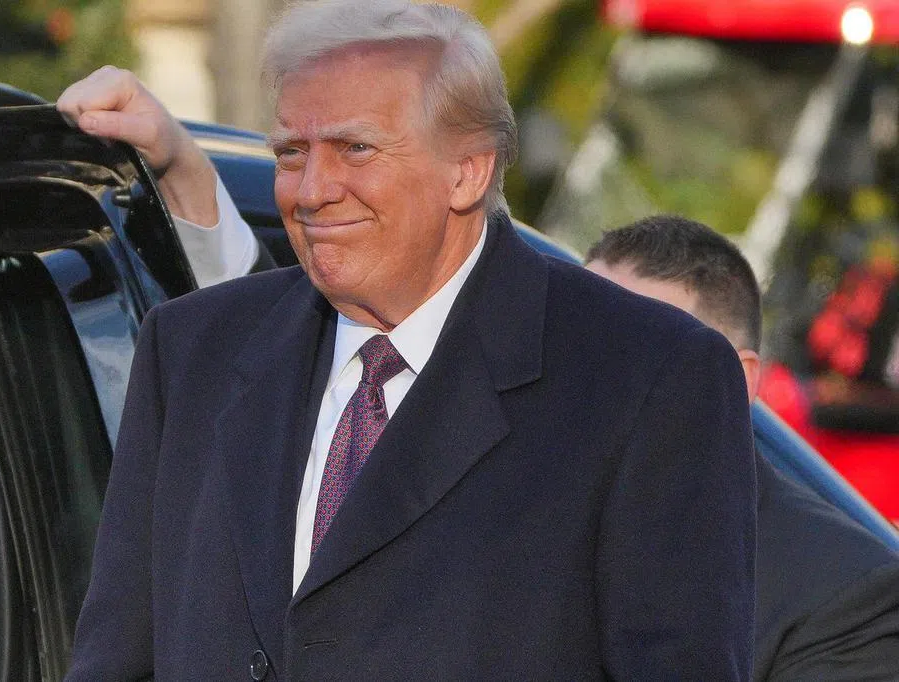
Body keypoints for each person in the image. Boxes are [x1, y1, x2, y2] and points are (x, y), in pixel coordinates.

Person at [61, 2, 756, 679]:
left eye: (355, 149)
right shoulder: (193, 352)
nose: (311, 190)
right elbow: (119, 657)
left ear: (468, 170)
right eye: (291, 152)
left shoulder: (645, 376)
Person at [585, 214, 899, 681]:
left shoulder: (841, 595)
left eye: (635, 356)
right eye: (569, 341)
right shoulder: (496, 476)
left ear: (734, 380)